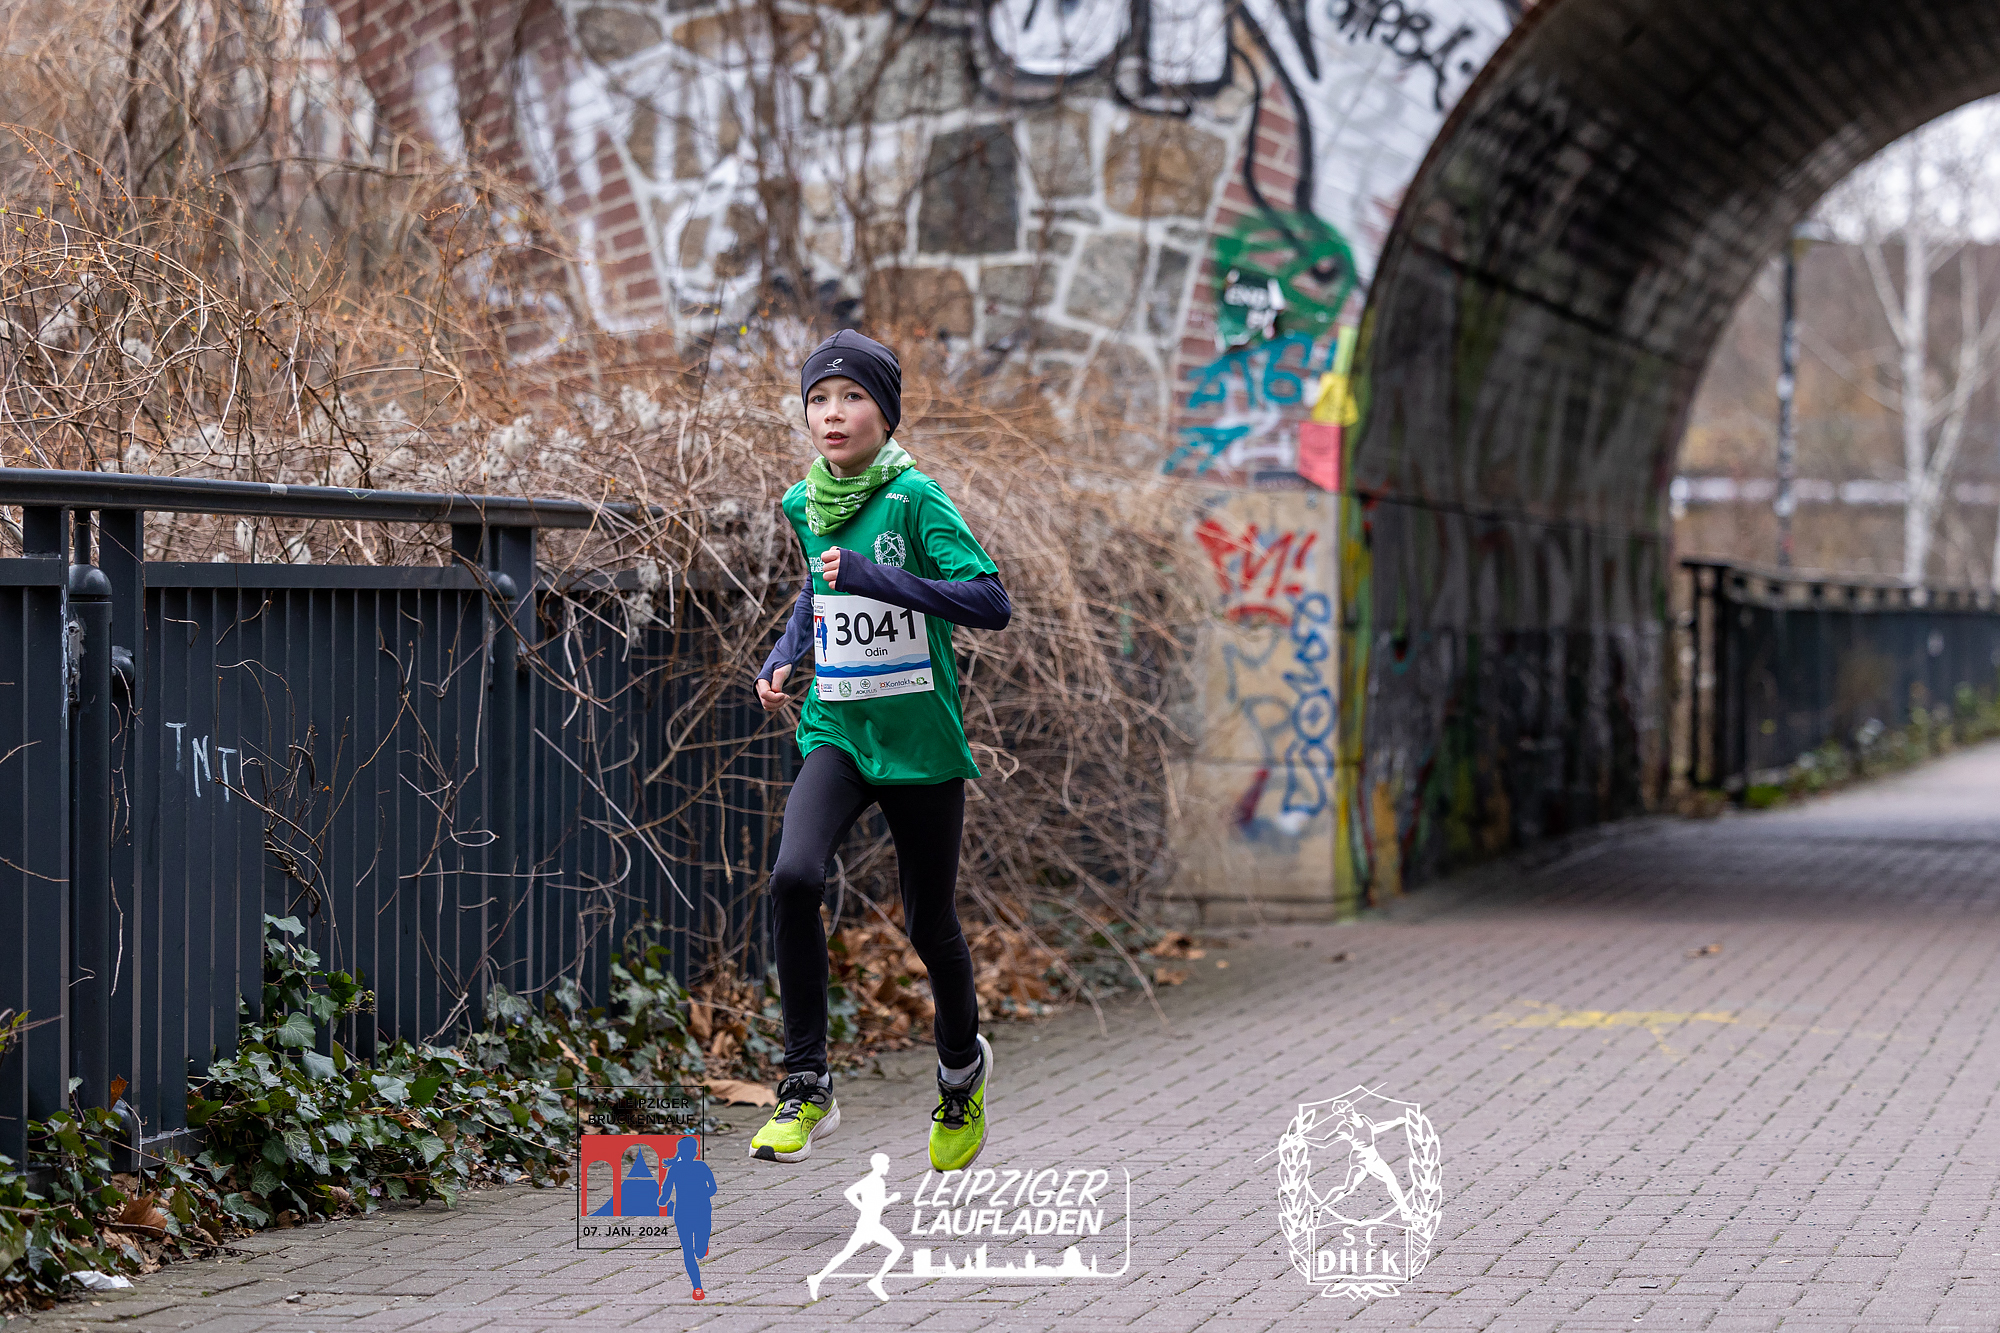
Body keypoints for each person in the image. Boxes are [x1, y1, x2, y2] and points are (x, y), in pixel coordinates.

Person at [749, 329, 1008, 1173]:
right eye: (818, 398)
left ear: (885, 413)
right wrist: (785, 653)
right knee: (794, 876)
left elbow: (990, 600)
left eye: (852, 396)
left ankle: (961, 1074)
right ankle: (806, 1082)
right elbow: (817, 588)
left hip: (919, 741)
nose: (833, 413)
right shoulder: (804, 501)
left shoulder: (915, 497)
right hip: (839, 728)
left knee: (929, 923)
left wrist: (879, 577)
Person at [808, 1152, 905, 1303]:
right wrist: (862, 1207)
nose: (887, 1167)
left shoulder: (878, 1181)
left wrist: (890, 1200)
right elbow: (849, 1192)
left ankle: (818, 1278)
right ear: (879, 1165)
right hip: (868, 1225)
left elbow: (876, 1204)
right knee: (897, 1249)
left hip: (871, 1224)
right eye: (886, 1164)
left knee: (847, 1254)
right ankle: (875, 1281)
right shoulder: (872, 1181)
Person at [661, 1137, 716, 1300]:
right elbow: (667, 1186)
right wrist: (664, 1198)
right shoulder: (676, 1169)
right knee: (687, 1250)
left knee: (699, 1251)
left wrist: (699, 1196)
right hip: (685, 1212)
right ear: (695, 1152)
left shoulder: (700, 1167)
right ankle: (697, 1287)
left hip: (699, 1210)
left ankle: (702, 1247)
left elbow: (713, 1188)